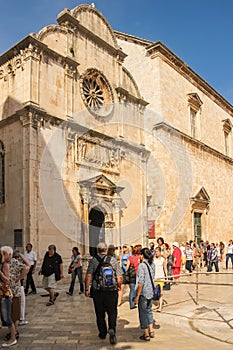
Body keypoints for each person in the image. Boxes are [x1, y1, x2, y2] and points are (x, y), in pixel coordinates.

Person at [84, 242, 122, 345]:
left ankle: (102, 332)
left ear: (97, 250)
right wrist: (118, 286)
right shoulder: (113, 260)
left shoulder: (93, 261)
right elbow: (119, 277)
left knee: (99, 313)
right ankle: (112, 329)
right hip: (111, 291)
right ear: (106, 250)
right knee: (112, 312)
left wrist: (86, 289)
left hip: (98, 291)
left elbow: (88, 276)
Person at [1, 246, 30, 347]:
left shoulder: (14, 262)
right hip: (7, 292)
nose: (2, 256)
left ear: (9, 254)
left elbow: (27, 267)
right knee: (10, 314)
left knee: (13, 315)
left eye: (4, 254)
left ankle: (14, 334)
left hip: (14, 291)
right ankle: (13, 333)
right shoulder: (3, 263)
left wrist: (19, 278)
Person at [134, 247, 155, 341]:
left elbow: (140, 282)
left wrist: (137, 295)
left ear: (142, 255)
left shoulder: (142, 265)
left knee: (143, 312)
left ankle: (146, 334)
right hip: (151, 291)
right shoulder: (152, 264)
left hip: (144, 292)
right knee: (149, 310)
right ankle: (151, 330)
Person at [0, 247, 15, 348]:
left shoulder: (5, 265)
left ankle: (13, 338)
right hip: (1, 295)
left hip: (5, 295)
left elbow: (7, 280)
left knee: (7, 318)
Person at [126, 244, 141, 309]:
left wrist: (127, 274)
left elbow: (127, 267)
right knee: (138, 288)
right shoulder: (139, 257)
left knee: (132, 289)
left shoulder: (130, 257)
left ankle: (131, 304)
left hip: (131, 274)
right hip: (138, 274)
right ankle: (136, 301)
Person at [154, 246, 167, 312]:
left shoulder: (162, 259)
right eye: (155, 251)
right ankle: (158, 304)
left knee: (161, 292)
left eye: (157, 251)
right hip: (155, 277)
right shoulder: (153, 259)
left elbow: (165, 268)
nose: (156, 253)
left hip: (161, 277)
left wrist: (166, 276)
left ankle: (160, 307)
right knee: (156, 292)